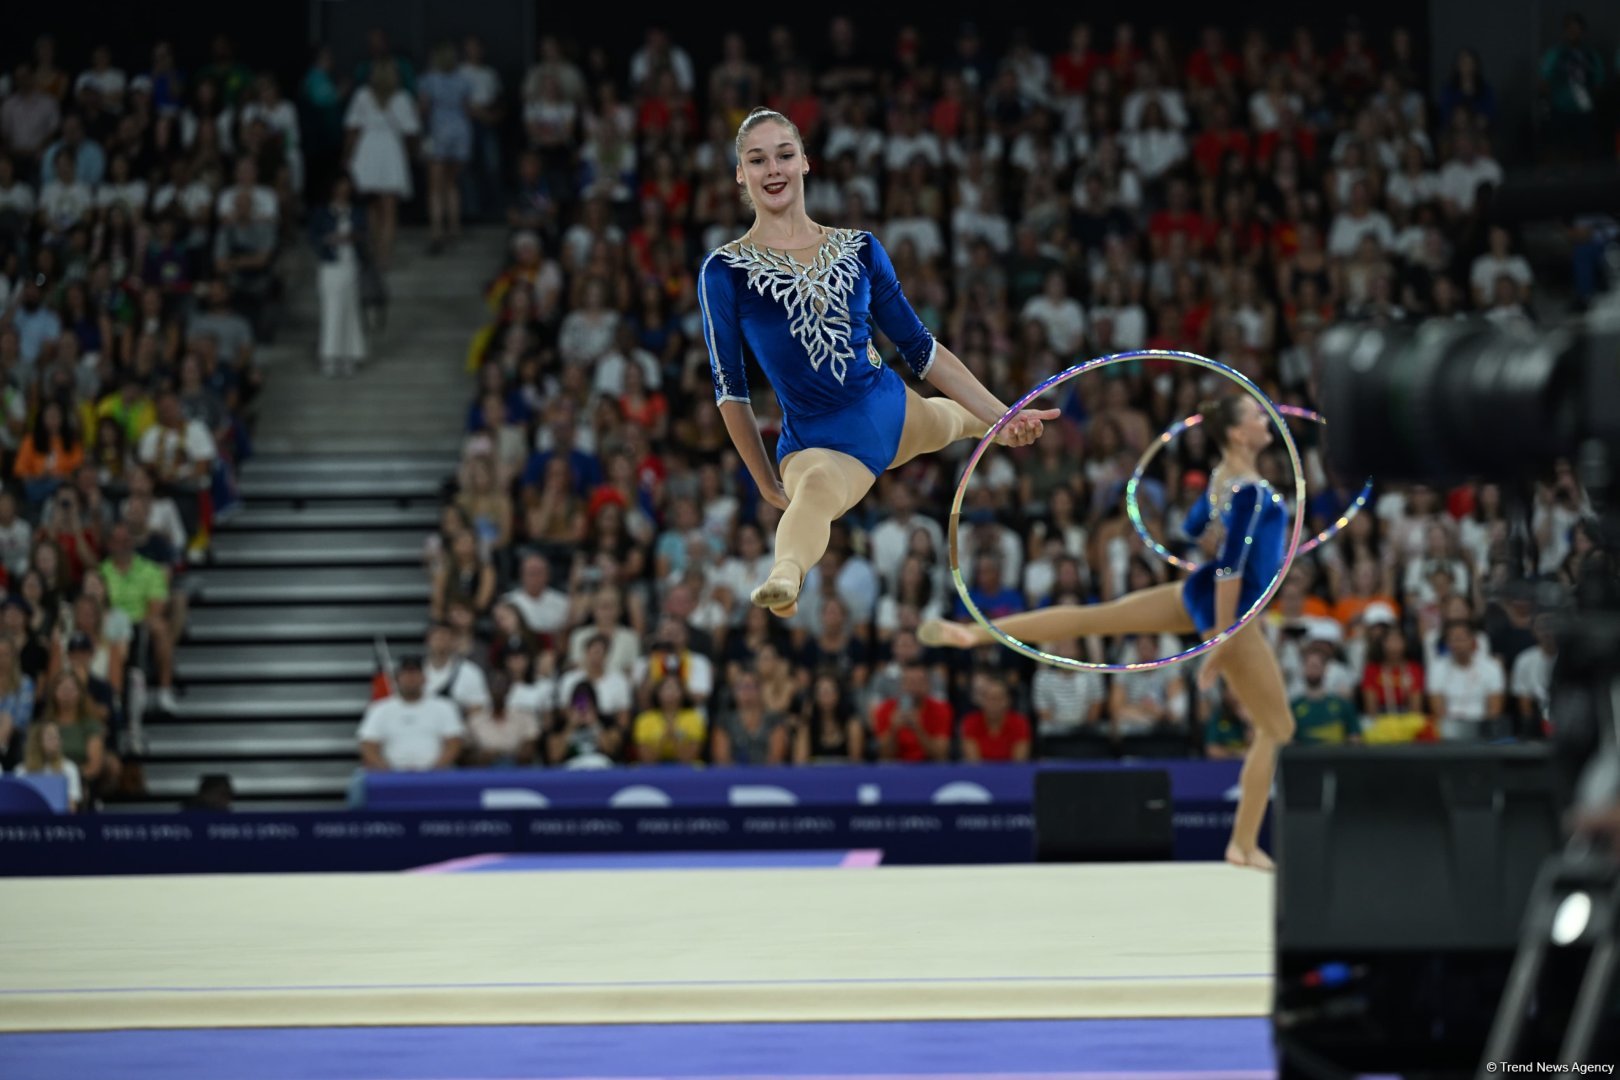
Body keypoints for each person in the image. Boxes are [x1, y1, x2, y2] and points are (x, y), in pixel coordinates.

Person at [697, 107, 1057, 619]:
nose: (772, 169)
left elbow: (923, 350)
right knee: (815, 492)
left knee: (950, 418)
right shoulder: (725, 270)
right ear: (740, 173)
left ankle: (994, 426)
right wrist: (763, 480)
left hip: (888, 405)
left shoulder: (858, 248)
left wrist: (1005, 413)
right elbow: (730, 389)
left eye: (784, 154)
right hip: (820, 440)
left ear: (805, 163)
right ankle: (786, 574)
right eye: (757, 160)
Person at [923, 393, 1295, 870]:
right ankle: (1242, 844)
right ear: (1239, 432)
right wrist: (1221, 641)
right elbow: (1230, 572)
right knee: (1277, 727)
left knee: (1095, 617)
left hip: (1197, 592)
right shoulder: (1252, 491)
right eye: (1257, 415)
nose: (1268, 419)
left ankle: (976, 633)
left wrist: (1216, 531)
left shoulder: (1226, 478)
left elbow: (1192, 525)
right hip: (1234, 612)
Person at [357, 655, 465, 772]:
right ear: (397, 678)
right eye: (406, 674)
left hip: (436, 774)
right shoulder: (380, 709)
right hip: (391, 775)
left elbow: (454, 742)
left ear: (424, 678)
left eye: (415, 673)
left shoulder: (444, 706)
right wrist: (387, 770)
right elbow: (368, 744)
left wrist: (435, 770)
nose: (411, 678)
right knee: (360, 779)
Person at [309, 174, 367, 377]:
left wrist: (352, 237)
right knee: (331, 309)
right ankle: (329, 355)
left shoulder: (357, 212)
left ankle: (349, 354)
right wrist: (329, 239)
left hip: (350, 265)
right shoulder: (322, 212)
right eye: (340, 185)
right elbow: (314, 237)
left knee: (349, 309)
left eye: (346, 185)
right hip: (330, 266)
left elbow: (363, 234)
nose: (343, 189)